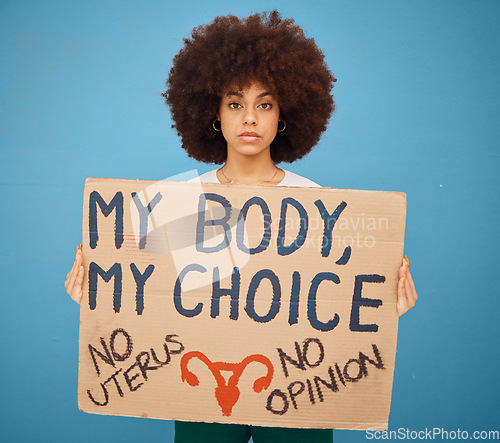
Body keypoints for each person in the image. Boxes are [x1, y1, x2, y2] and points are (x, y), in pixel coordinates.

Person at [65, 10, 418, 443]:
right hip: (202, 387)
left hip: (295, 386)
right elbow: (144, 287)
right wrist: (97, 291)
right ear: (213, 114)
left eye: (264, 104)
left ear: (283, 115)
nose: (249, 118)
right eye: (236, 103)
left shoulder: (315, 201)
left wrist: (384, 307)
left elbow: (335, 299)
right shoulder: (180, 200)